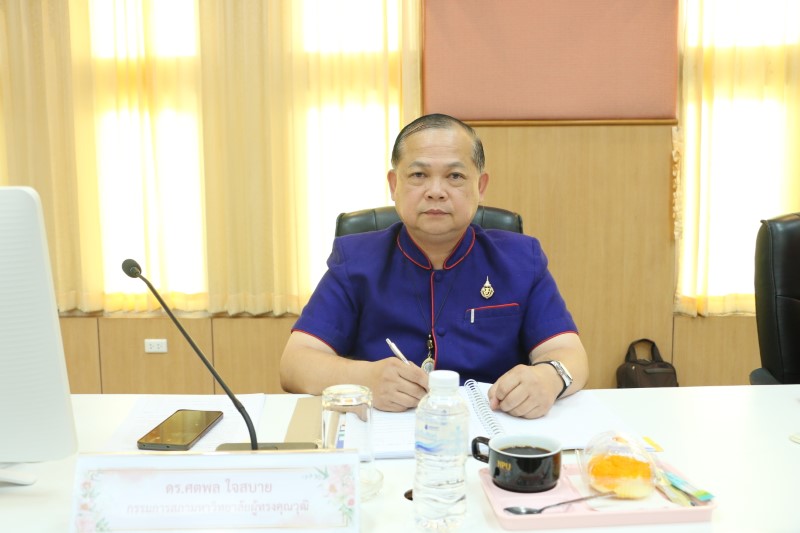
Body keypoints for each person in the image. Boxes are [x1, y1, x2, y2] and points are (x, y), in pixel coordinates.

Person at [280, 113, 588, 419]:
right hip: (385, 430)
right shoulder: (355, 260)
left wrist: (550, 377)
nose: (436, 191)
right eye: (418, 175)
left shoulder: (521, 258)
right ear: (394, 185)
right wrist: (365, 378)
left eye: (455, 176)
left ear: (480, 186)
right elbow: (295, 363)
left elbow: (570, 353)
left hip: (495, 429)